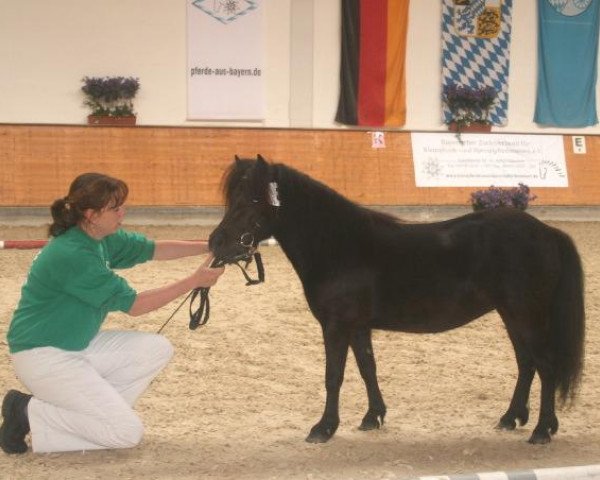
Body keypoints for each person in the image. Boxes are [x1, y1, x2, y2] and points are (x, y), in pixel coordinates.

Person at [0, 172, 225, 454]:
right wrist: (194, 281)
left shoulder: (98, 237)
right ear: (92, 215)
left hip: (75, 344)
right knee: (126, 434)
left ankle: (96, 421)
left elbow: (153, 249)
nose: (123, 212)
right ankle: (25, 410)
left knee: (155, 348)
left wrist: (211, 246)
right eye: (116, 208)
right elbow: (136, 306)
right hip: (43, 356)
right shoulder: (73, 254)